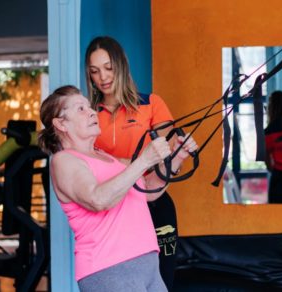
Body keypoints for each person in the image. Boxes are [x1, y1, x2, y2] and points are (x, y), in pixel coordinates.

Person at [38, 85, 198, 292]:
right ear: (61, 123)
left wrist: (177, 157)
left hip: (147, 263)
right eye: (80, 109)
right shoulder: (64, 161)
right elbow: (98, 199)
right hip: (109, 268)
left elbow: (148, 190)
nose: (92, 112)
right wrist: (143, 160)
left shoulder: (107, 158)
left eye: (89, 107)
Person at [84, 36, 179, 290]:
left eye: (108, 68)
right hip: (114, 211)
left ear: (121, 66)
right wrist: (136, 161)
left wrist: (116, 161)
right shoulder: (89, 116)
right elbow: (85, 162)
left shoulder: (151, 104)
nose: (102, 77)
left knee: (162, 282)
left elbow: (165, 156)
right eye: (94, 71)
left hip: (155, 202)